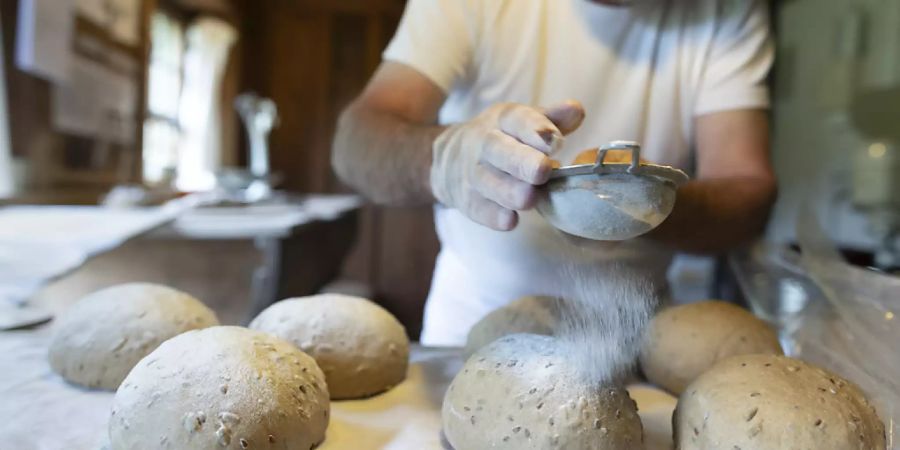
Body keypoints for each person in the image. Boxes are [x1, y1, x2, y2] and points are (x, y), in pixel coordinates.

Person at [332, 0, 777, 346]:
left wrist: (638, 204)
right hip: (472, 328)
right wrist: (446, 157)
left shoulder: (726, 9)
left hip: (633, 339)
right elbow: (356, 142)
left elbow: (746, 192)